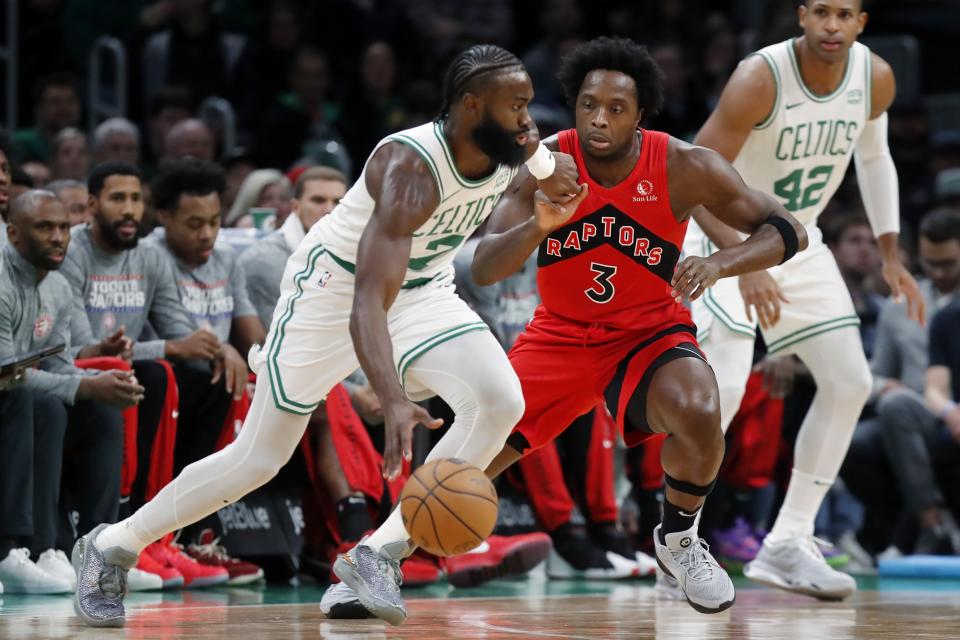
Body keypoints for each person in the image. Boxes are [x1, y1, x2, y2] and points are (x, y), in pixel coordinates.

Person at [72, 44, 579, 628]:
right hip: (333, 296)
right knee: (257, 459)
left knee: (500, 400)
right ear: (470, 107)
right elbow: (367, 298)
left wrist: (544, 202)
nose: (526, 119)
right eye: (514, 106)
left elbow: (528, 193)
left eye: (527, 107)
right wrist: (390, 396)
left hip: (423, 289)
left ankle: (376, 556)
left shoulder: (515, 145)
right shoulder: (409, 165)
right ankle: (112, 545)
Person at [468, 36, 807, 614]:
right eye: (589, 105)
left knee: (702, 411)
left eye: (616, 108)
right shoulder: (545, 164)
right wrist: (538, 227)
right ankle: (384, 558)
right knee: (467, 463)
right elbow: (485, 264)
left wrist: (721, 262)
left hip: (648, 333)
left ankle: (678, 538)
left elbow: (786, 229)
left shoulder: (682, 164)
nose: (600, 119)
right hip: (560, 334)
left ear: (640, 114)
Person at [679, 0, 924, 599]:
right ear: (802, 17)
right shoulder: (759, 77)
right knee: (726, 390)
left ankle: (788, 540)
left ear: (862, 21)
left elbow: (874, 157)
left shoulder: (876, 76)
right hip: (722, 238)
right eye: (821, 12)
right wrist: (740, 260)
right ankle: (676, 544)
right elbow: (690, 179)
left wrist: (890, 253)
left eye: (845, 14)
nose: (832, 26)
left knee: (849, 383)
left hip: (798, 238)